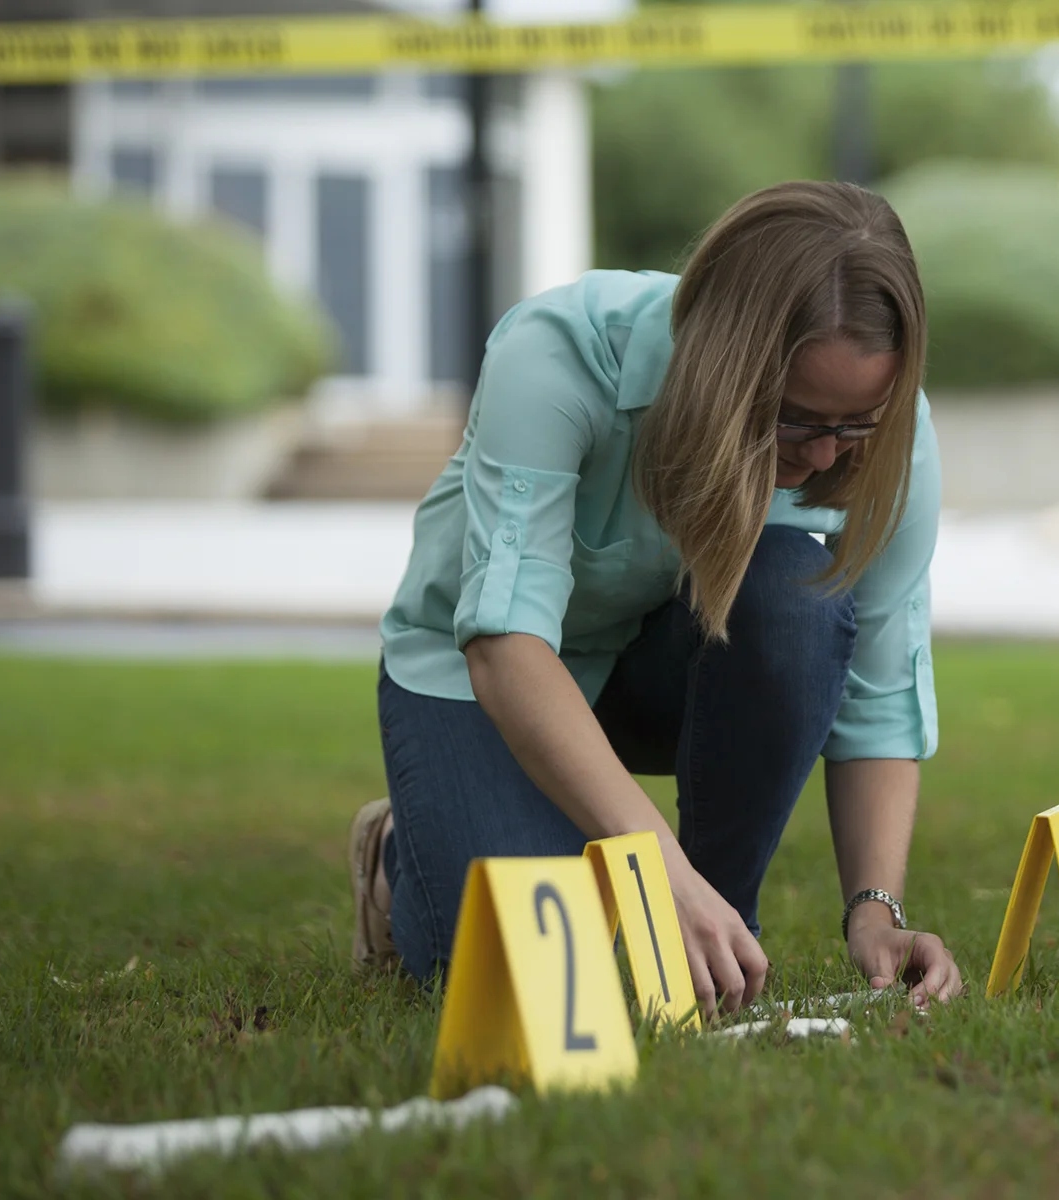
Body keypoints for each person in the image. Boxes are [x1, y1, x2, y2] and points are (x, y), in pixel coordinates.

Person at [350, 181, 962, 1014]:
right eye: (795, 420)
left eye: (856, 426)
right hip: (487, 681)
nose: (826, 456)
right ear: (722, 366)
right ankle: (399, 853)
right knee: (522, 991)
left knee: (797, 596)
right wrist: (654, 868)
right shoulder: (556, 353)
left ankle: (716, 930)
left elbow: (882, 686)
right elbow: (503, 644)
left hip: (656, 676)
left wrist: (875, 912)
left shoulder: (889, 433)